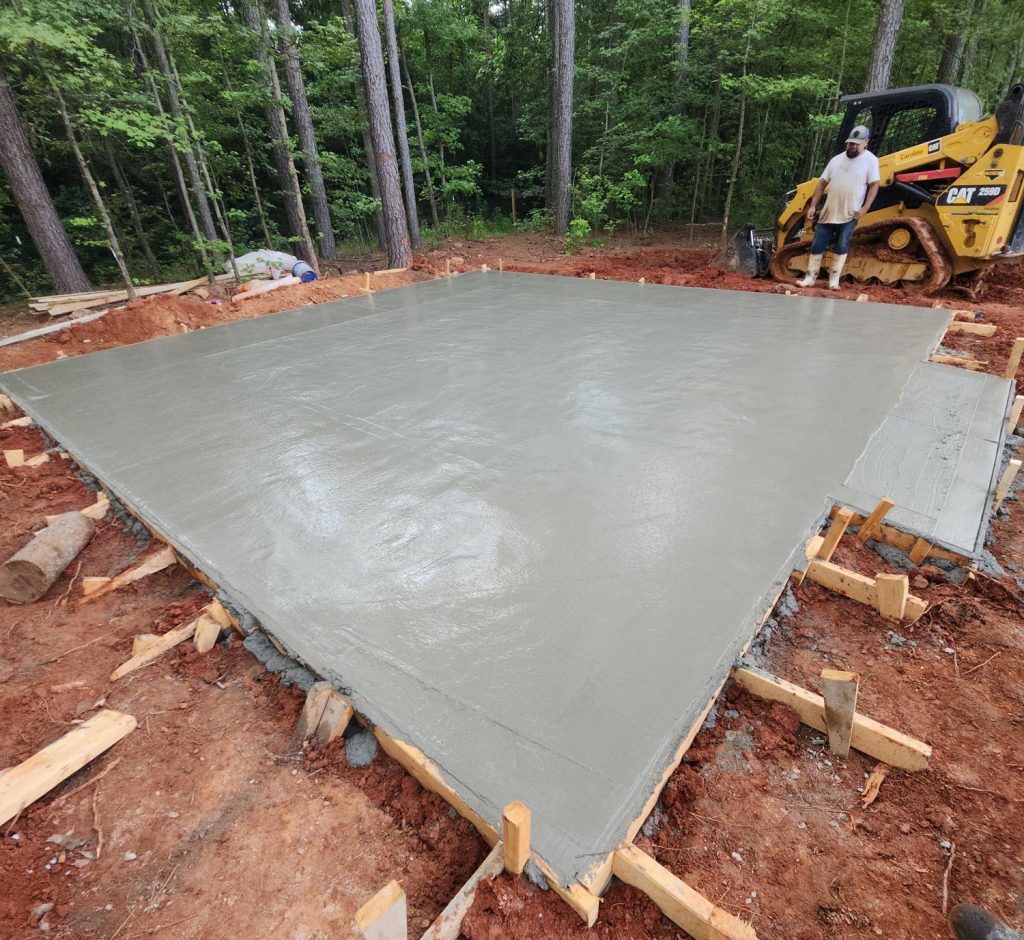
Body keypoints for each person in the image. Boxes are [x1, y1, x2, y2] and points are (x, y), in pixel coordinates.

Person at [798, 124, 880, 290]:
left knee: (842, 245)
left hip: (850, 213)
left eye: (856, 144)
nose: (852, 146)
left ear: (866, 142)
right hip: (829, 211)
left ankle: (834, 280)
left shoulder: (871, 161)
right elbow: (822, 183)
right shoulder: (836, 160)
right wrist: (813, 206)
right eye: (850, 143)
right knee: (817, 245)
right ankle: (810, 277)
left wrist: (865, 208)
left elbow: (874, 185)